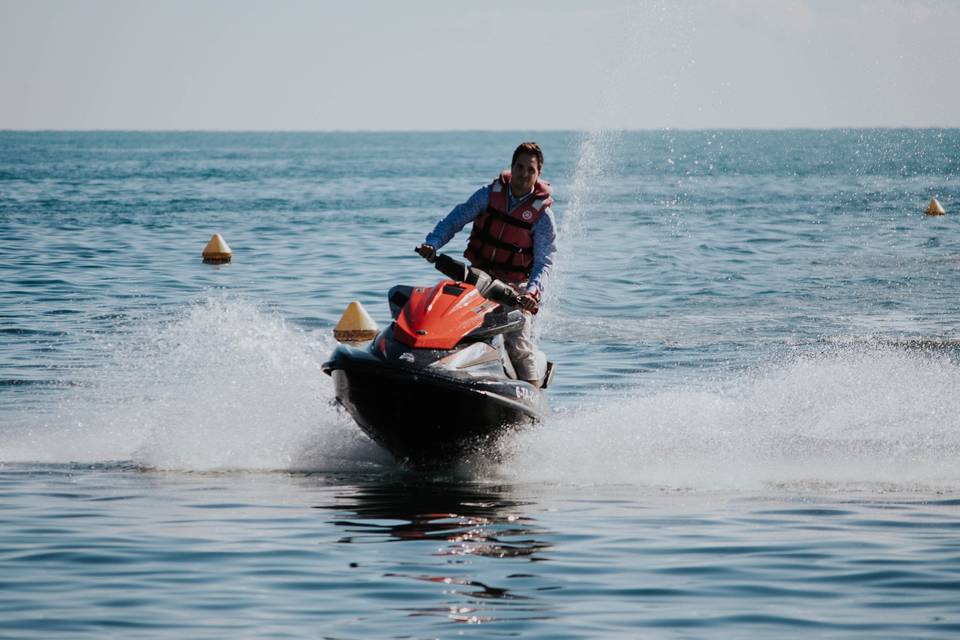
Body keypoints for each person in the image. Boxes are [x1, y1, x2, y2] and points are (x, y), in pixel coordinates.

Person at [416, 142, 557, 387]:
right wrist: (433, 243)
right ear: (512, 167)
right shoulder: (488, 195)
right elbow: (456, 218)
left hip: (514, 288)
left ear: (539, 174)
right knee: (452, 323)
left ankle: (533, 399)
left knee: (518, 344)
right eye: (519, 167)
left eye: (530, 170)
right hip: (476, 278)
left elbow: (544, 261)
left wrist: (532, 293)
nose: (524, 174)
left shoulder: (542, 216)